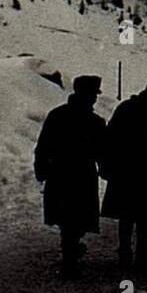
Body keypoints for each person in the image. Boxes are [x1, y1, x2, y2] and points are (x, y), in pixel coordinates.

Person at [34, 75, 107, 274]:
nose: (94, 99)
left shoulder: (56, 115)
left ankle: (70, 249)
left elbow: (43, 146)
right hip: (82, 176)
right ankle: (70, 254)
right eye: (93, 95)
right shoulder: (95, 122)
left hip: (60, 174)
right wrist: (106, 168)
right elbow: (103, 151)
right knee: (78, 216)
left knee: (66, 216)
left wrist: (41, 169)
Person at [101, 76, 147, 270]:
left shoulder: (127, 108)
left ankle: (124, 250)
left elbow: (110, 137)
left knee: (127, 216)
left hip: (126, 172)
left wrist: (108, 165)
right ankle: (141, 253)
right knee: (146, 217)